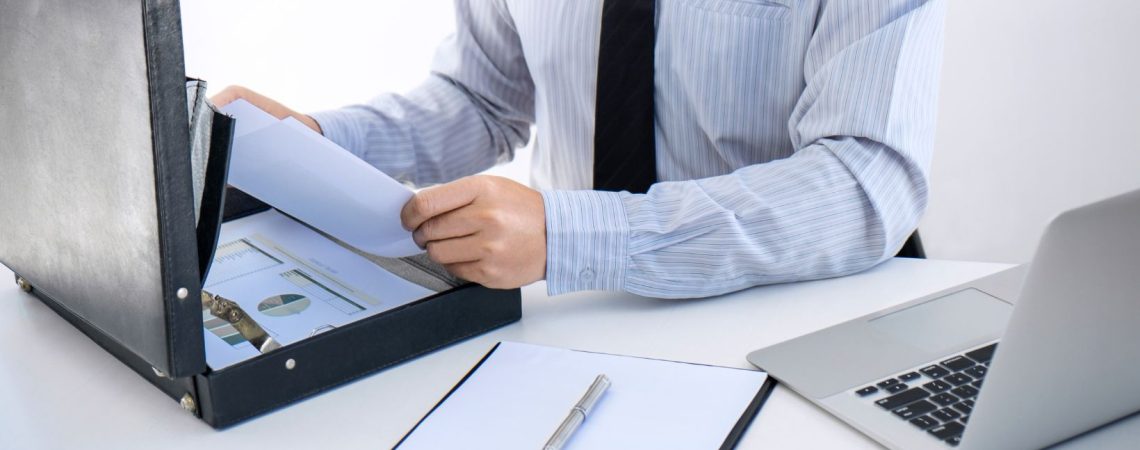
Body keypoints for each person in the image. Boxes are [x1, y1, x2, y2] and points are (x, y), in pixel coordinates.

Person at [213, 0, 946, 298]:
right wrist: (322, 143)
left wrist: (576, 235)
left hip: (797, 306)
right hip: (582, 306)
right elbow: (483, 98)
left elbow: (865, 178)